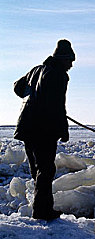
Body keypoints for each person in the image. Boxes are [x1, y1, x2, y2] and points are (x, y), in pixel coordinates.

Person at [13, 39, 75, 220]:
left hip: (27, 125)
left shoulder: (36, 70)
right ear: (62, 58)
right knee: (46, 170)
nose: (71, 65)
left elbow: (18, 87)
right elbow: (56, 105)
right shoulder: (58, 74)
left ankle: (41, 207)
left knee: (38, 170)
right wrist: (63, 130)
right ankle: (42, 211)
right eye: (69, 61)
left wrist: (31, 98)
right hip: (43, 128)